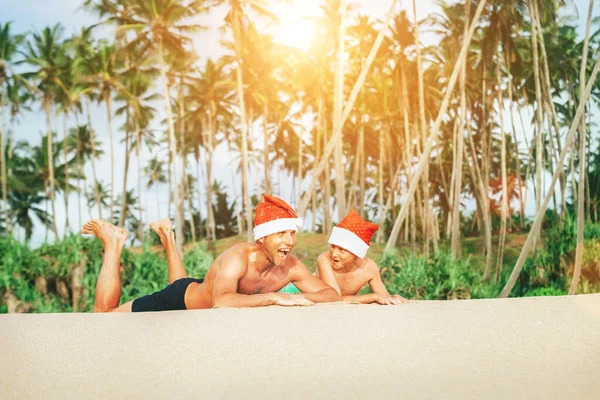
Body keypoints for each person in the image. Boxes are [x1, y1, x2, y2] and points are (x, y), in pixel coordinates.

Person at [84, 195, 342, 312]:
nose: (290, 241)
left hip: (196, 289)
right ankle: (113, 242)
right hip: (176, 301)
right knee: (104, 314)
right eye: (281, 234)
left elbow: (330, 294)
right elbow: (222, 301)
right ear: (262, 237)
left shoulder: (291, 266)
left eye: (292, 233)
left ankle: (167, 236)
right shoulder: (237, 257)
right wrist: (275, 298)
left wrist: (300, 299)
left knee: (187, 285)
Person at [316, 210, 408, 305]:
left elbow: (383, 296)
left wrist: (393, 297)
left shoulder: (369, 267)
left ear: (356, 253)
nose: (334, 254)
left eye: (341, 249)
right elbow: (334, 298)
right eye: (332, 246)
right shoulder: (324, 260)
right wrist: (373, 296)